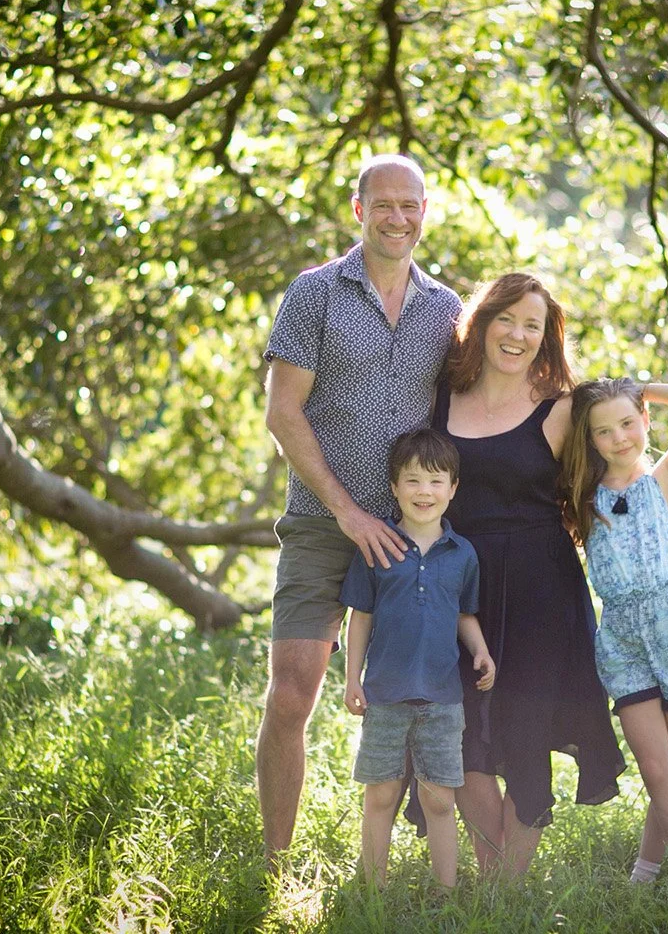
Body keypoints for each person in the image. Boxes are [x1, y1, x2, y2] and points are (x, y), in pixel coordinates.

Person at [257, 154, 462, 873]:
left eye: (410, 206)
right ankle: (276, 865)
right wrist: (346, 512)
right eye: (384, 205)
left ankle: (397, 857)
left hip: (411, 536)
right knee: (292, 695)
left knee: (411, 702)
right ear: (359, 210)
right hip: (322, 523)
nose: (397, 218)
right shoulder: (314, 293)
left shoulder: (446, 310)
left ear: (424, 212)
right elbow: (283, 414)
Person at [415, 273, 626, 876]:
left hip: (542, 590)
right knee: (461, 741)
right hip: (459, 589)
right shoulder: (439, 399)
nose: (517, 334)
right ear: (480, 324)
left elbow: (618, 467)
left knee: (526, 736)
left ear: (546, 336)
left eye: (533, 325)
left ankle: (503, 894)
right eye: (506, 318)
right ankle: (493, 882)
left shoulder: (563, 410)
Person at [560, 376, 668, 896]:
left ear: (645, 420)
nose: (619, 438)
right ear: (589, 440)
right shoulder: (580, 498)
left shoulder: (664, 479)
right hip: (622, 640)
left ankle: (646, 870)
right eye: (603, 431)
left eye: (628, 423)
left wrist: (639, 389)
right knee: (655, 766)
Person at [342, 428, 496, 888]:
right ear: (394, 487)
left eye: (435, 481)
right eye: (412, 480)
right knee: (380, 797)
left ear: (452, 488)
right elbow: (361, 616)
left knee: (439, 802)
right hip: (385, 695)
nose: (423, 491)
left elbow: (463, 614)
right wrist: (352, 678)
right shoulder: (378, 546)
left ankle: (446, 893)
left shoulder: (462, 554)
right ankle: (374, 892)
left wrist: (481, 650)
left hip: (443, 700)